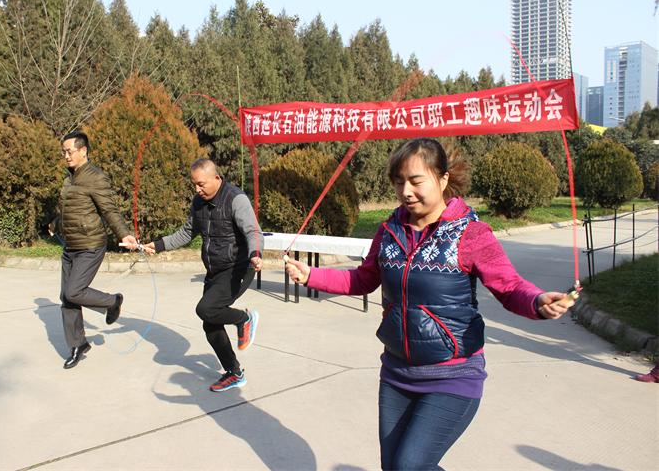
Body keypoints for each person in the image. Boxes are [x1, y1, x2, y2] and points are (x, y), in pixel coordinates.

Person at [285, 138, 574, 470]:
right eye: (399, 182)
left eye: (415, 181)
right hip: (397, 373)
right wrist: (311, 275)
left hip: (453, 376)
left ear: (443, 179)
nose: (406, 191)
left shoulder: (471, 234)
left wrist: (537, 301)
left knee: (409, 467)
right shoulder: (389, 231)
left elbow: (509, 286)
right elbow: (362, 280)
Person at [143, 158, 263, 392]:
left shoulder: (235, 199)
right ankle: (234, 373)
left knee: (205, 309)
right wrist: (158, 245)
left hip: (237, 268)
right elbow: (187, 232)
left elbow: (253, 231)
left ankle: (244, 319)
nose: (197, 189)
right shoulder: (199, 202)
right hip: (215, 270)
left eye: (201, 184)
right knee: (210, 324)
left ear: (216, 178)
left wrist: (256, 254)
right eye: (194, 185)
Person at [50, 131, 138, 369]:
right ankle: (78, 345)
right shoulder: (69, 178)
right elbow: (68, 208)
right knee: (66, 297)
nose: (66, 156)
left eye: (69, 151)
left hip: (90, 245)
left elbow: (109, 210)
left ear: (83, 151)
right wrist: (55, 224)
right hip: (71, 245)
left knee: (74, 291)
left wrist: (123, 234)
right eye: (63, 152)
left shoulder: (95, 177)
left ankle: (112, 301)